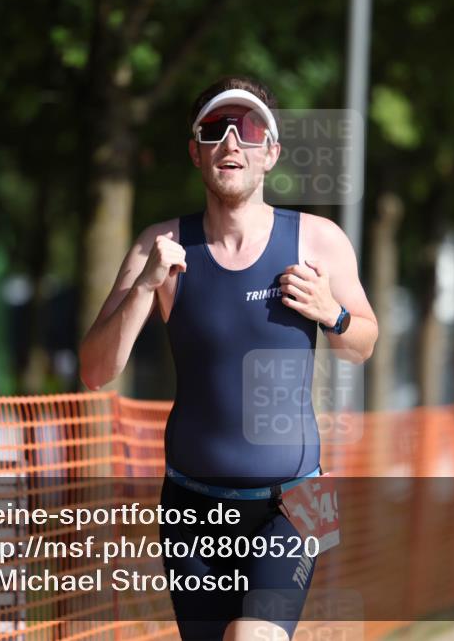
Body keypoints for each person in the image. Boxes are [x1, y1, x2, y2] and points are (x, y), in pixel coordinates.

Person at [79, 75, 378, 641]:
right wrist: (145, 288)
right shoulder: (159, 247)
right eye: (215, 129)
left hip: (297, 500)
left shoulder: (318, 241)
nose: (232, 143)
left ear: (271, 152)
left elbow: (363, 345)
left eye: (249, 128)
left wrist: (331, 312)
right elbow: (95, 371)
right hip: (192, 506)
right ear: (196, 151)